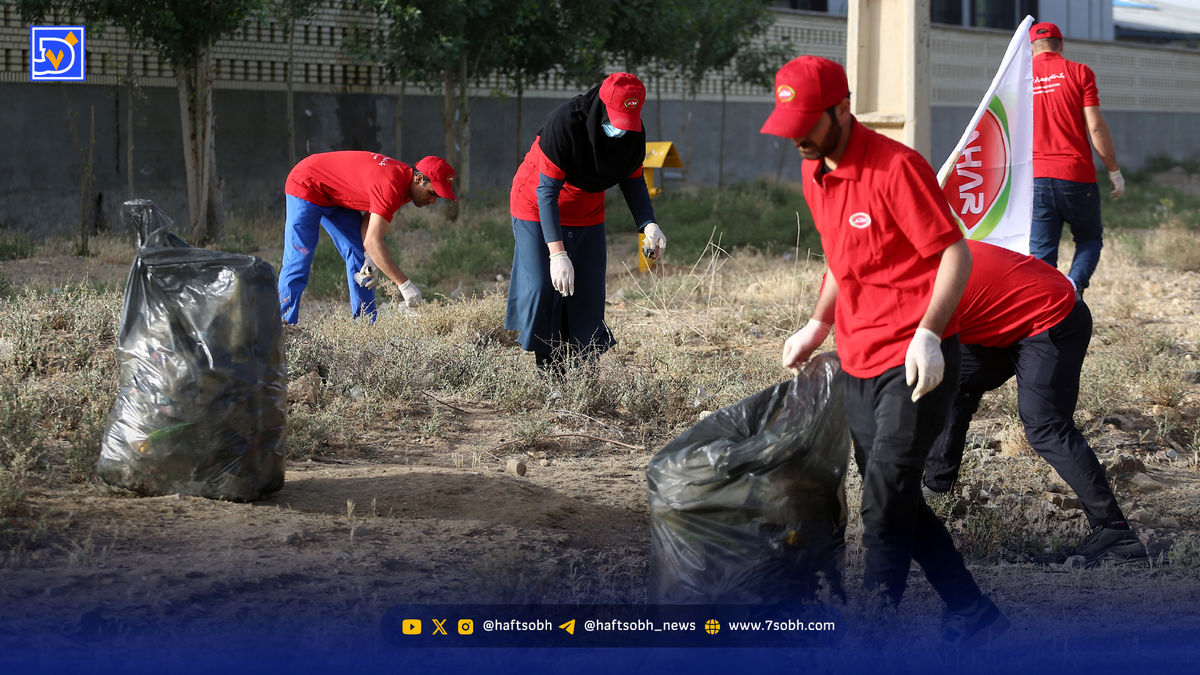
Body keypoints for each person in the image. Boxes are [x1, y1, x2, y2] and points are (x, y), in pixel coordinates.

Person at [766, 55, 1006, 643]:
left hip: (915, 364)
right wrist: (818, 324)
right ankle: (975, 615)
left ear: (842, 109)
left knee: (882, 505)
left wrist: (930, 332)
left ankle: (872, 636)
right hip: (858, 359)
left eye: (807, 123)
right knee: (895, 498)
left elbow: (955, 253)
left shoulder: (897, 168)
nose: (797, 136)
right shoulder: (814, 167)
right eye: (789, 123)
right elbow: (838, 256)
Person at [923, 240, 1148, 567]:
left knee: (1046, 426)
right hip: (1009, 314)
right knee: (953, 383)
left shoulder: (921, 283)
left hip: (1054, 316)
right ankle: (935, 489)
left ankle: (1115, 532)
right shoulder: (917, 257)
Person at [505, 72, 667, 370]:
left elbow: (633, 181)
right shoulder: (565, 123)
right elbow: (547, 192)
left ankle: (582, 368)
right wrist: (557, 253)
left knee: (587, 292)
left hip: (587, 211)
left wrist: (648, 224)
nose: (621, 128)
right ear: (602, 105)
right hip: (535, 204)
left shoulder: (633, 132)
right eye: (616, 118)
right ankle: (549, 368)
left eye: (627, 121)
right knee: (544, 286)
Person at [278, 151, 456, 324]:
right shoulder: (392, 184)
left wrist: (370, 256)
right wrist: (404, 285)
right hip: (306, 183)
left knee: (360, 254)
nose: (433, 201)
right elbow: (373, 240)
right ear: (419, 179)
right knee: (299, 261)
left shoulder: (405, 185)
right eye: (432, 193)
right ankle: (282, 328)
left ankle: (365, 325)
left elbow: (371, 220)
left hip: (333, 195)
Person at [1029, 21, 1125, 299]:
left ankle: (1046, 313)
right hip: (1076, 175)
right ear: (1061, 45)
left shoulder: (1021, 77)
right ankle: (1074, 288)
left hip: (1036, 177)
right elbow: (1095, 127)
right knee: (1089, 239)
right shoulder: (1080, 72)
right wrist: (1114, 171)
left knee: (1041, 255)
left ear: (1031, 49)